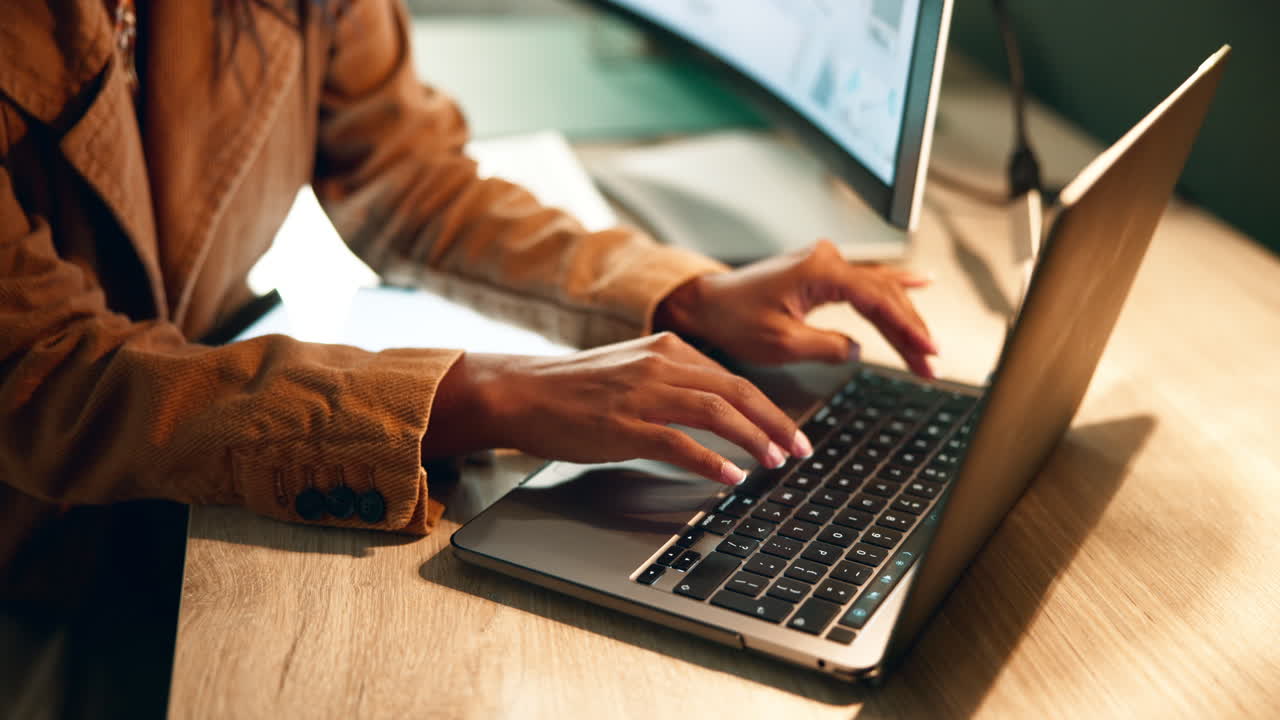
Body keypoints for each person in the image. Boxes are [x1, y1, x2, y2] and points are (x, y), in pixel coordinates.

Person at [0, 0, 934, 590]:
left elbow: (403, 175)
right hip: (37, 566)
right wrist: (477, 393)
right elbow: (46, 372)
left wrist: (685, 294)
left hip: (173, 517)